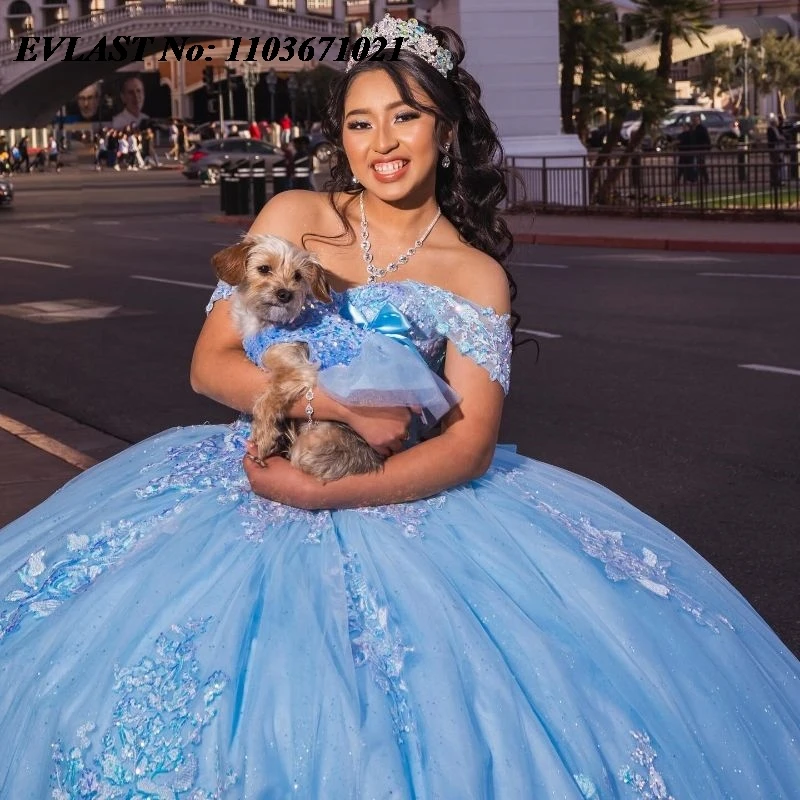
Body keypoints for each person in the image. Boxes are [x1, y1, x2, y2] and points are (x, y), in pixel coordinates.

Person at [0, 16, 798, 799]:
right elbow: (209, 366)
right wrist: (329, 402)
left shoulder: (473, 273)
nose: (381, 142)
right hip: (250, 480)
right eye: (359, 122)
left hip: (394, 497)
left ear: (444, 130)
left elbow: (470, 445)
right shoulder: (294, 217)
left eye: (404, 117)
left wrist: (328, 489)